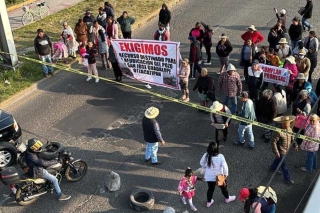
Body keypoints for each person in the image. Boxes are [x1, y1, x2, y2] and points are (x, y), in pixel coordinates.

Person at [200, 142, 236, 208]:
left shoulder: (206, 155)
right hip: (219, 177)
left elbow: (201, 163)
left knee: (210, 189)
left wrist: (205, 166)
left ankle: (209, 202)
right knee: (224, 188)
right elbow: (225, 167)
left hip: (209, 177)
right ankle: (227, 198)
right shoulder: (221, 156)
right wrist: (225, 175)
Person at [270, 115, 298, 184]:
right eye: (286, 123)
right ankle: (287, 179)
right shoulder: (278, 131)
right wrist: (276, 152)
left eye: (288, 123)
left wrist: (295, 145)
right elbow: (273, 142)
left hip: (286, 150)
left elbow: (292, 138)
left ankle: (272, 168)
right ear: (282, 123)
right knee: (284, 166)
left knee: (278, 159)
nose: (288, 125)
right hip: (281, 151)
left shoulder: (289, 129)